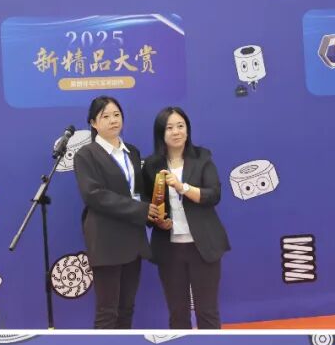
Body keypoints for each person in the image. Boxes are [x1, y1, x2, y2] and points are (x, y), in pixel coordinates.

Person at [73, 96, 165, 328]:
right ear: (93, 123)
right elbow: (94, 195)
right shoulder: (86, 155)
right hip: (106, 240)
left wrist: (156, 209)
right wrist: (141, 209)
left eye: (117, 115)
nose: (113, 120)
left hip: (133, 238)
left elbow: (137, 192)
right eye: (105, 116)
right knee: (107, 311)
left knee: (127, 307)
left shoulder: (131, 152)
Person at [142, 107, 230, 329]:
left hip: (203, 246)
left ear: (187, 130)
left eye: (180, 126)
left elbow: (213, 195)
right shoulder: (151, 166)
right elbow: (146, 206)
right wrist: (157, 220)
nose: (176, 132)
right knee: (178, 313)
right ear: (161, 133)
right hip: (169, 249)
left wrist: (183, 187)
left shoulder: (202, 157)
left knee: (207, 311)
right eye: (169, 127)